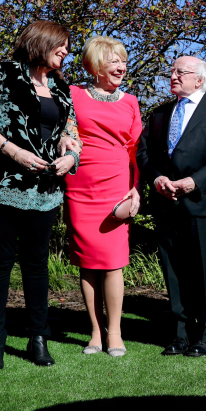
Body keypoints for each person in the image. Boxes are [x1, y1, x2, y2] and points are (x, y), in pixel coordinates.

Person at [0, 20, 81, 372]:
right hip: (0, 185)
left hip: (45, 191)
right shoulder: (3, 72)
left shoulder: (62, 87)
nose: (66, 51)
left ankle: (38, 339)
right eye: (61, 45)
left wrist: (70, 153)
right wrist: (14, 152)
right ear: (41, 42)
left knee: (36, 266)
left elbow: (73, 132)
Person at [137, 56, 206, 357]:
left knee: (203, 272)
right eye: (172, 71)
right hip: (166, 205)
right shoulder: (159, 114)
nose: (173, 75)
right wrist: (157, 180)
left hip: (202, 205)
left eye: (181, 72)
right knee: (173, 272)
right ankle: (179, 334)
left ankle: (205, 336)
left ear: (199, 79)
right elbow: (144, 155)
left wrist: (195, 181)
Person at [64, 36, 142, 357]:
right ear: (95, 65)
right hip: (81, 186)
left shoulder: (131, 102)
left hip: (117, 187)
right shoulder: (73, 95)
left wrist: (137, 189)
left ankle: (116, 333)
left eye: (122, 61)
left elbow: (137, 151)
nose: (120, 66)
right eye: (112, 61)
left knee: (112, 263)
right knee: (87, 262)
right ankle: (95, 332)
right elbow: (64, 134)